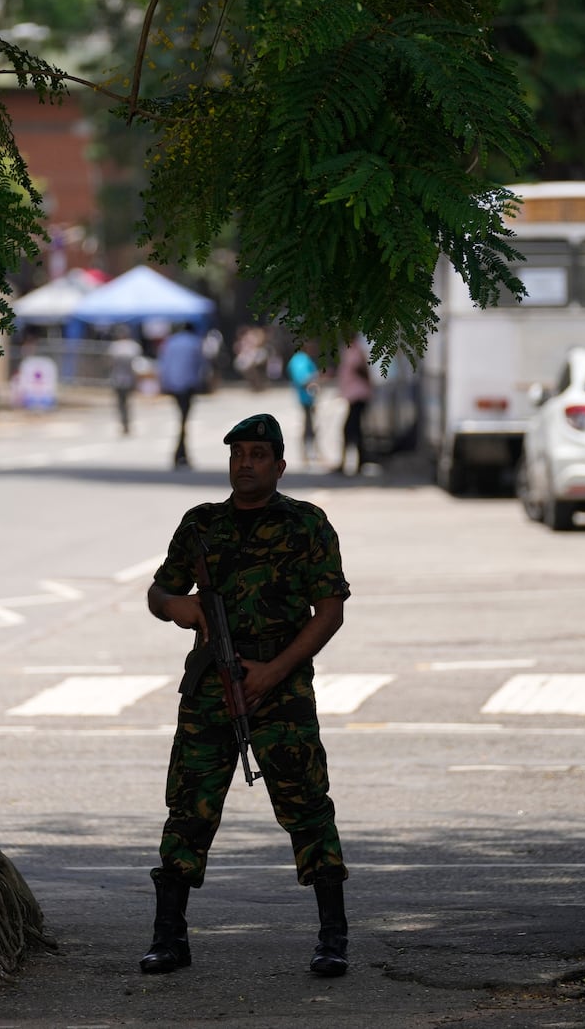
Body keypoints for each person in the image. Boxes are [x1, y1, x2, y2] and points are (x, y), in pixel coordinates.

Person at [141, 413, 352, 978]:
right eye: (238, 454)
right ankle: (169, 937)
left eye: (258, 454)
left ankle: (333, 937)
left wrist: (274, 672)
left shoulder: (307, 525)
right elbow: (161, 591)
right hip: (211, 688)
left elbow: (328, 613)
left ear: (279, 465)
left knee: (307, 806)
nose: (246, 463)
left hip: (280, 687)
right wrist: (178, 607)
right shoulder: (201, 526)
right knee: (188, 808)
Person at [155, 323, 207, 469]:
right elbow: (202, 365)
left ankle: (181, 453)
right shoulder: (195, 342)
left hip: (173, 384)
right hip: (188, 385)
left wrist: (164, 383)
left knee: (182, 420)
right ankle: (180, 454)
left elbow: (163, 364)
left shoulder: (171, 342)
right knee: (183, 420)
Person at [335, 335, 372, 476]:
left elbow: (361, 368)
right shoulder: (349, 349)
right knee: (354, 431)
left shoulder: (355, 350)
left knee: (351, 430)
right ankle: (353, 462)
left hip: (358, 395)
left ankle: (354, 463)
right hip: (353, 395)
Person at [286, 342, 320, 464]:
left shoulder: (298, 359)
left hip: (307, 397)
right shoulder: (301, 360)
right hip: (306, 397)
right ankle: (308, 453)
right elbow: (302, 379)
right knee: (309, 426)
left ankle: (310, 452)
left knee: (310, 424)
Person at [107, 325, 143, 435]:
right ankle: (125, 423)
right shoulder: (131, 346)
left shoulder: (117, 347)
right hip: (124, 379)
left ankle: (125, 423)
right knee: (125, 403)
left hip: (121, 379)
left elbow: (110, 363)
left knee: (122, 403)